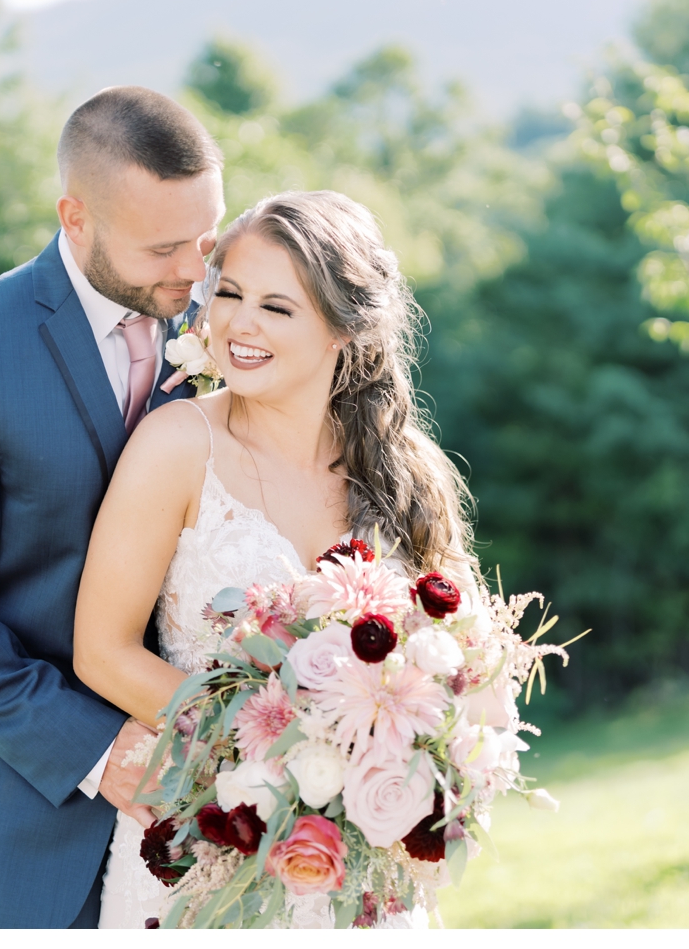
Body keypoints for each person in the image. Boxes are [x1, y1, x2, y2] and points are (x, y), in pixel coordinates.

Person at [0, 86, 226, 928]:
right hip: (34, 828)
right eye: (165, 246)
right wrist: (101, 752)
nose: (194, 270)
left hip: (233, 809)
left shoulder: (236, 322)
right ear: (75, 217)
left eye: (208, 236)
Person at [73, 190, 478, 928]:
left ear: (343, 330)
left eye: (278, 307)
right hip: (206, 838)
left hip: (358, 856)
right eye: (227, 293)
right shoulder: (176, 446)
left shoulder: (405, 466)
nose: (240, 324)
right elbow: (101, 652)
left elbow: (457, 660)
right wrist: (274, 748)